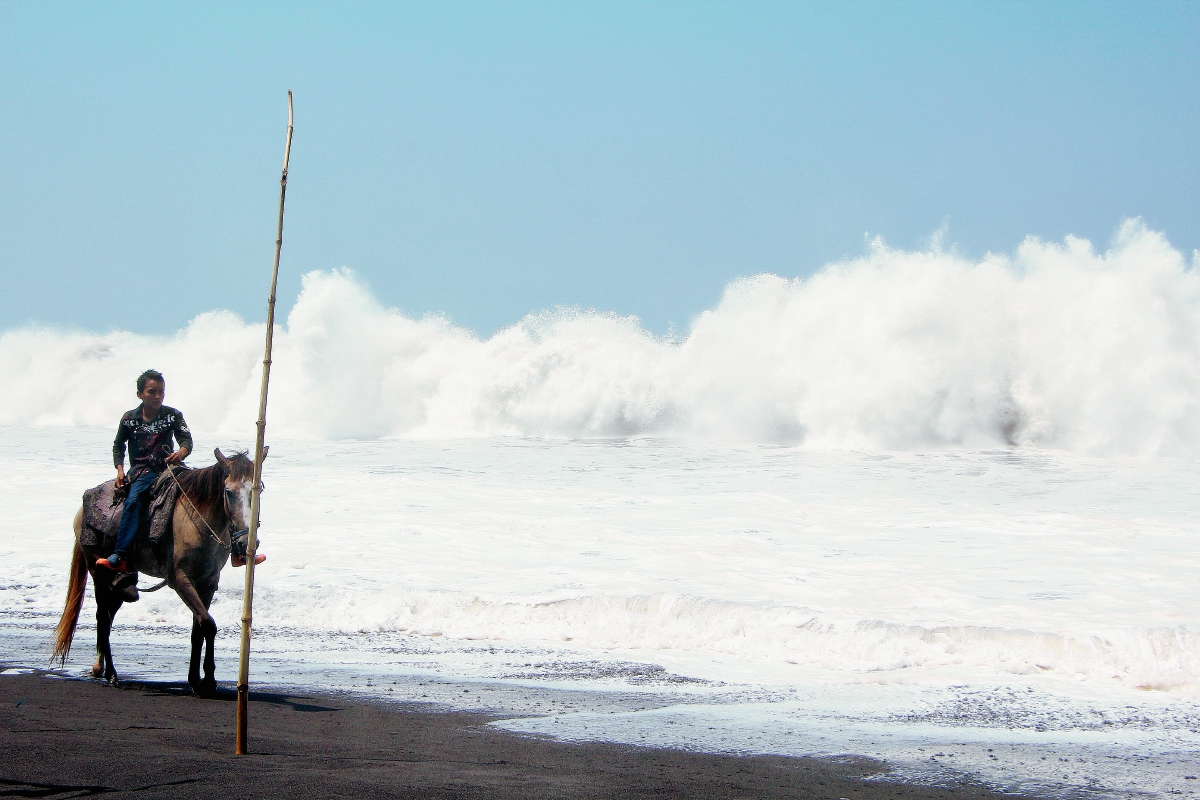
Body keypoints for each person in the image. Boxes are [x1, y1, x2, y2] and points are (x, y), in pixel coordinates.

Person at [97, 370, 193, 572]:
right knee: (133, 502)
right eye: (152, 392)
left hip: (169, 469)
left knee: (206, 490)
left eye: (161, 392)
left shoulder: (173, 415)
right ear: (140, 394)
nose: (158, 396)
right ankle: (121, 554)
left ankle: (237, 549)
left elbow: (186, 441)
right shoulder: (129, 419)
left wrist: (180, 454)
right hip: (142, 472)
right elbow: (118, 446)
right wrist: (120, 470)